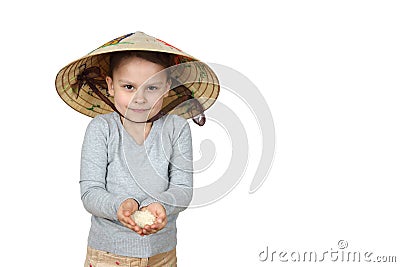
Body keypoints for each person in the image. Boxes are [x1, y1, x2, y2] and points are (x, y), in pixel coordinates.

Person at [55, 31, 219, 266]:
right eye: (129, 87)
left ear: (167, 87)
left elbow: (183, 189)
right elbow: (90, 192)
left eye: (152, 88)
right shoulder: (102, 129)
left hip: (161, 255)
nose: (139, 99)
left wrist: (162, 206)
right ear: (111, 86)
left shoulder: (177, 129)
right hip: (107, 255)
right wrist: (119, 206)